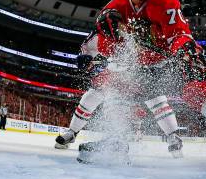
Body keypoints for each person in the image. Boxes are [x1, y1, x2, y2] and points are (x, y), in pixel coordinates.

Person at [57, 0, 206, 158]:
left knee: (196, 90)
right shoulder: (114, 8)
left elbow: (179, 35)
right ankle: (111, 139)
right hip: (136, 69)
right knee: (107, 87)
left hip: (168, 64)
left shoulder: (165, 2)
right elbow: (96, 39)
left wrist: (185, 51)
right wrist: (85, 57)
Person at [55, 29, 184, 158]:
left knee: (156, 99)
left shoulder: (141, 28)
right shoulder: (96, 38)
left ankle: (173, 136)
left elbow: (159, 53)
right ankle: (73, 132)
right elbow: (87, 57)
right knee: (91, 97)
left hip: (140, 71)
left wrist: (154, 63)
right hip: (112, 74)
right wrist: (92, 63)